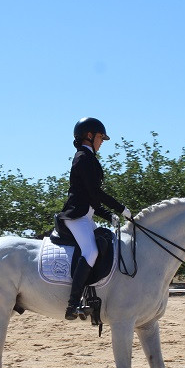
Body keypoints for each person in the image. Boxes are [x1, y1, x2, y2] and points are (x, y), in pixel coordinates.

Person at [58, 117, 131, 320]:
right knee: (90, 252)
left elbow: (91, 199)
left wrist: (109, 216)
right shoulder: (82, 157)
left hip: (85, 216)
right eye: (100, 137)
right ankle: (72, 305)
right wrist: (122, 209)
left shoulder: (89, 158)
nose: (102, 142)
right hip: (75, 217)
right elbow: (96, 193)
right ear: (89, 136)